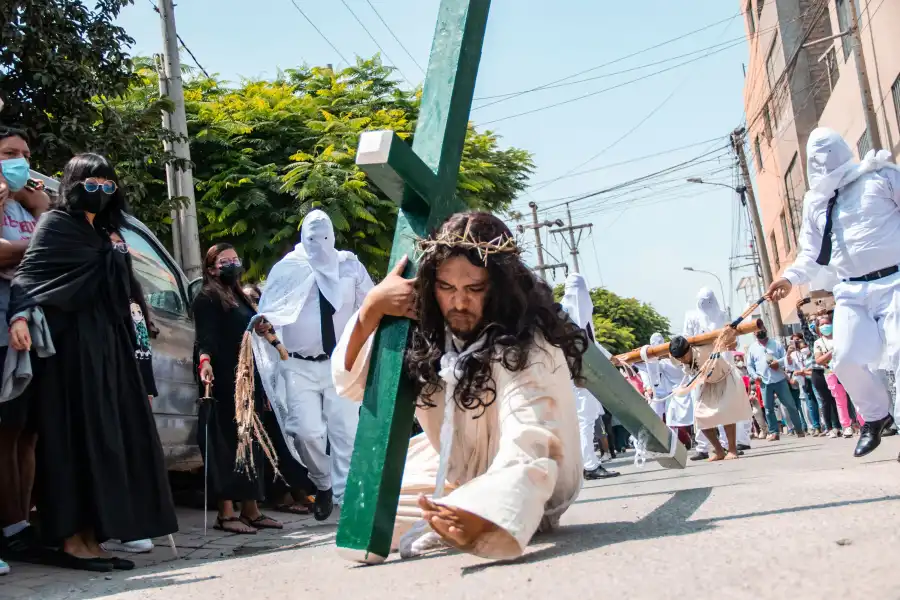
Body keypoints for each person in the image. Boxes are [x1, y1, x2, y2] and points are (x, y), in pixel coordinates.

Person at [333, 212, 586, 560]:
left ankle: (490, 514)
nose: (459, 303)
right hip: (453, 471)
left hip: (528, 479)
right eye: (446, 288)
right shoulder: (429, 335)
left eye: (475, 289)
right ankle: (464, 509)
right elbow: (351, 384)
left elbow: (530, 438)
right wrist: (371, 308)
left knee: (493, 511)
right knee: (366, 526)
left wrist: (484, 511)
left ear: (500, 286)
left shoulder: (530, 348)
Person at [6, 153, 177, 571]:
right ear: (71, 185)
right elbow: (29, 278)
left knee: (108, 440)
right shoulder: (56, 225)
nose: (99, 191)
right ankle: (71, 539)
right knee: (72, 440)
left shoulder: (107, 233)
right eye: (90, 183)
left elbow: (122, 289)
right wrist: (19, 315)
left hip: (109, 350)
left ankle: (94, 536)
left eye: (107, 184)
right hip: (70, 353)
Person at [767, 128, 900, 459]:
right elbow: (809, 253)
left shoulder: (880, 175)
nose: (821, 159)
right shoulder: (816, 203)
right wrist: (788, 278)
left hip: (896, 281)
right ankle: (875, 416)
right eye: (815, 155)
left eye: (827, 151)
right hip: (852, 290)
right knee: (844, 359)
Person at [252, 210, 373, 521]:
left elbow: (369, 305)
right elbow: (269, 311)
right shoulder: (287, 269)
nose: (319, 244)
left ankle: (347, 506)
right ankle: (323, 484)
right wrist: (264, 327)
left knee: (346, 431)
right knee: (305, 432)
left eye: (324, 237)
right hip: (297, 363)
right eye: (312, 238)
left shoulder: (349, 266)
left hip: (340, 361)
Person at [193, 244, 282, 534]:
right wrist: (204, 363)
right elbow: (204, 338)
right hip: (223, 380)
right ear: (210, 269)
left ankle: (251, 509)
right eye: (224, 261)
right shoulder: (207, 297)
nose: (232, 264)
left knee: (251, 442)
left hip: (247, 378)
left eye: (235, 259)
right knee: (228, 444)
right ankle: (226, 512)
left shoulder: (239, 297)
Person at [0, 127, 49, 567]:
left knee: (27, 433)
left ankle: (21, 524)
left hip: (34, 326)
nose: (19, 161)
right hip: (4, 326)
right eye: (8, 153)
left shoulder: (29, 206)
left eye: (24, 154)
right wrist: (36, 241)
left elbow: (46, 259)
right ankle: (9, 526)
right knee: (5, 433)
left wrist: (44, 211)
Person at [559, 273, 618, 479]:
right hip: (577, 376)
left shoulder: (578, 318)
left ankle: (587, 463)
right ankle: (590, 466)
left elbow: (590, 343)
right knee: (584, 422)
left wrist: (611, 357)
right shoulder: (565, 319)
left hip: (585, 374)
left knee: (587, 420)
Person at [683, 287, 751, 458]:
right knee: (701, 413)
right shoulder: (691, 317)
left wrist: (727, 340)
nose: (707, 305)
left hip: (723, 368)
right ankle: (705, 448)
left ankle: (731, 447)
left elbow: (733, 341)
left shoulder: (723, 316)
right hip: (701, 370)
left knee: (726, 409)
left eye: (709, 301)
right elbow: (687, 341)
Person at [668, 330, 750, 461]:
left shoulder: (705, 349)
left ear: (689, 349)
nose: (683, 360)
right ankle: (719, 451)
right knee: (700, 417)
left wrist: (728, 333)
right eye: (680, 358)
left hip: (725, 378)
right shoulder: (676, 358)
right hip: (707, 384)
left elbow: (727, 342)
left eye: (684, 356)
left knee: (726, 413)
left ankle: (732, 450)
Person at [745, 328, 807, 441]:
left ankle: (799, 429)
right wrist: (755, 376)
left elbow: (786, 359)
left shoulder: (776, 344)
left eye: (761, 329)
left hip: (780, 380)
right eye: (756, 331)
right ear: (753, 333)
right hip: (764, 382)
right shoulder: (752, 348)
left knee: (791, 405)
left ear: (765, 329)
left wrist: (777, 362)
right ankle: (774, 432)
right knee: (768, 409)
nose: (759, 332)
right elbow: (749, 365)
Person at [812, 313, 860, 438]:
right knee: (840, 400)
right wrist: (831, 353)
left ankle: (863, 423)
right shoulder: (818, 342)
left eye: (827, 323)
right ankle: (846, 426)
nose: (825, 326)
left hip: (848, 370)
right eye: (822, 324)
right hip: (832, 373)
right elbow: (818, 360)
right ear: (818, 327)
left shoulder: (840, 337)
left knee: (856, 398)